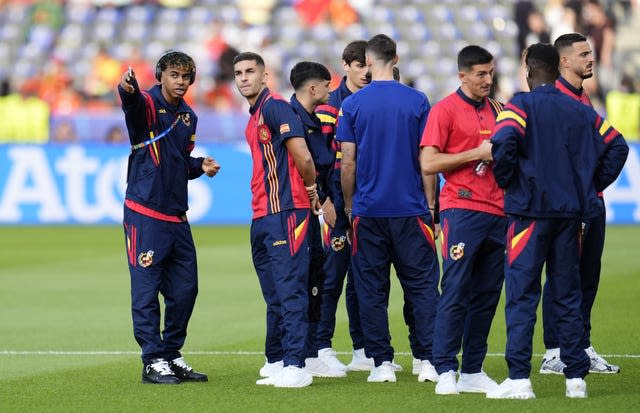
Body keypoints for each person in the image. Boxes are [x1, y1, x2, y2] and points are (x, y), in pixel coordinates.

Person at [484, 43, 628, 399]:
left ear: (529, 70)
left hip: (529, 215)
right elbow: (618, 146)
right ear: (556, 68)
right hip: (569, 216)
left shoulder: (519, 104)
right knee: (567, 295)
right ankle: (575, 379)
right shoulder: (580, 109)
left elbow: (502, 142)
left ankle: (519, 379)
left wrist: (507, 181)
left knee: (522, 295)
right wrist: (590, 186)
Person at [337, 34, 440, 383]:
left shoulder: (352, 105)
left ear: (367, 61)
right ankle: (426, 359)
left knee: (371, 288)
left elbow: (347, 162)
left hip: (369, 211)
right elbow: (427, 160)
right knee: (422, 286)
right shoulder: (417, 100)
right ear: (395, 58)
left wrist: (351, 206)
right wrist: (430, 204)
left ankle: (381, 364)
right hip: (411, 209)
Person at [118, 50, 220, 384]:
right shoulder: (147, 104)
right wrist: (128, 90)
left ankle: (171, 354)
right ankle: (152, 360)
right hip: (145, 213)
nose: (181, 82)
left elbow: (179, 159)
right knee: (146, 290)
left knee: (186, 289)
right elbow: (132, 106)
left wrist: (199, 165)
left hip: (176, 216)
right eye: (174, 75)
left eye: (186, 76)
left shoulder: (189, 116)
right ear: (160, 75)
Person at [420, 45, 505, 395]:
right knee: (455, 289)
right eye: (481, 74)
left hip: (499, 212)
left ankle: (472, 369)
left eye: (490, 72)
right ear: (463, 76)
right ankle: (444, 369)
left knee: (487, 294)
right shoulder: (444, 110)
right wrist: (477, 154)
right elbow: (429, 163)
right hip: (462, 209)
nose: (488, 80)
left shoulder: (500, 110)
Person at [233, 51, 320, 388]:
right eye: (238, 72)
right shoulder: (254, 115)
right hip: (263, 214)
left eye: (250, 71)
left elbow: (302, 154)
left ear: (265, 76)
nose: (243, 78)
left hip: (285, 211)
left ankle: (297, 365)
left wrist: (311, 190)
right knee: (274, 293)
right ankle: (278, 358)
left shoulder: (275, 107)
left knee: (290, 289)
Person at [539, 32, 621, 375]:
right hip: (568, 207)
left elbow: (607, 148)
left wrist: (592, 186)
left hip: (590, 203)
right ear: (564, 61)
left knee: (587, 277)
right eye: (584, 53)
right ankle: (553, 351)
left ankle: (581, 345)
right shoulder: (555, 99)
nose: (591, 58)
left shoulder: (582, 97)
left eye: (591, 52)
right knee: (562, 277)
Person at [314, 40, 372, 372]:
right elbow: (318, 159)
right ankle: (322, 346)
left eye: (369, 64)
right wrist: (324, 201)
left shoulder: (374, 101)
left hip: (370, 200)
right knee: (333, 274)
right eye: (359, 64)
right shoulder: (329, 105)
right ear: (346, 65)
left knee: (363, 276)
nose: (366, 70)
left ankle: (362, 349)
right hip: (337, 200)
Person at [288, 61, 346, 378]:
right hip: (297, 209)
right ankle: (291, 355)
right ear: (314, 88)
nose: (330, 90)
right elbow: (308, 163)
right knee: (299, 282)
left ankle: (309, 353)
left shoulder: (309, 117)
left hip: (310, 208)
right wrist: (323, 199)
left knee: (314, 280)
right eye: (326, 84)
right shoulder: (292, 117)